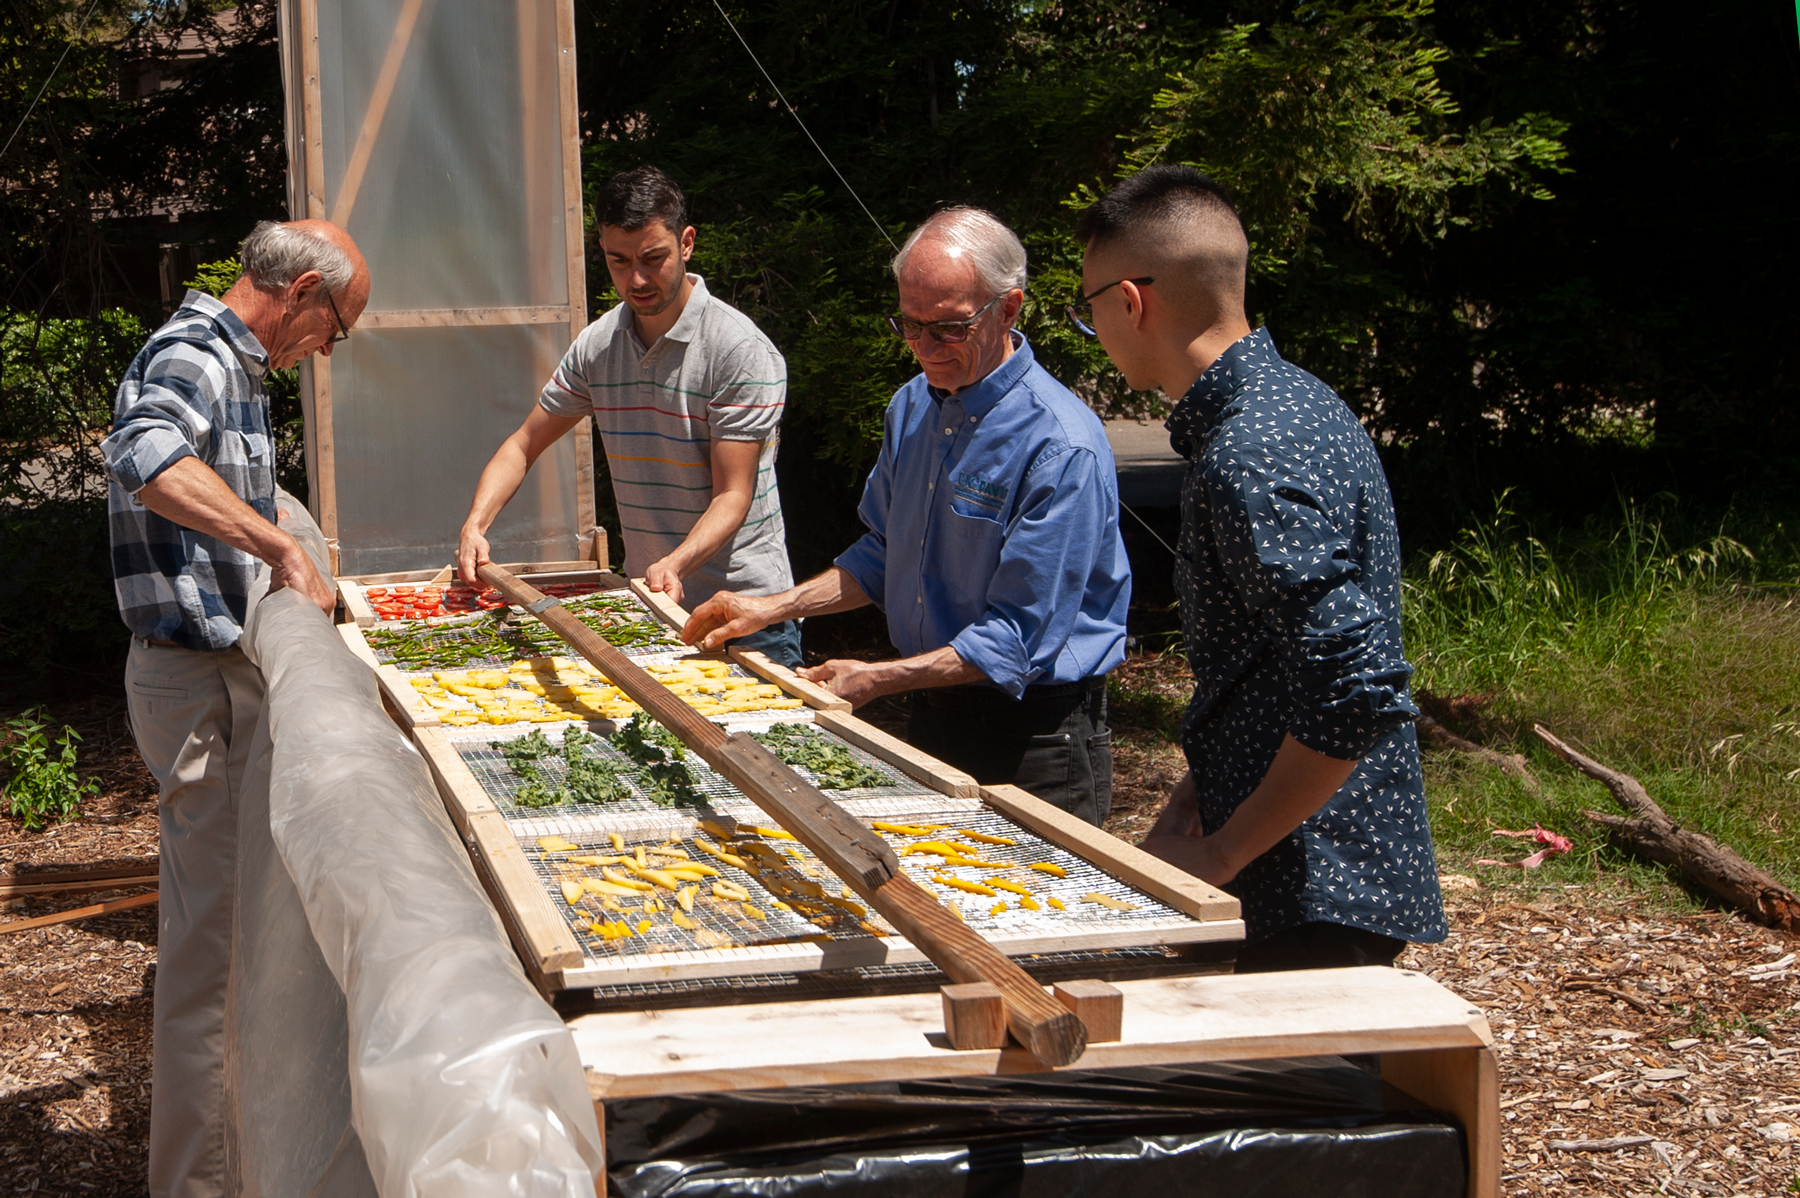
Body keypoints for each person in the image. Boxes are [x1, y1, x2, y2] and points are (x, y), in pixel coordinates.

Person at [1069, 164, 1446, 971]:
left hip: (1313, 880)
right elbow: (1276, 659)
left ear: (1131, 302)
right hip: (1320, 864)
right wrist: (1207, 787)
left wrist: (1226, 852)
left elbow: (1358, 683)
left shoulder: (1249, 450)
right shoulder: (1298, 401)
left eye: (1089, 307)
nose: (1093, 327)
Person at [684, 208, 1131, 825]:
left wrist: (876, 679)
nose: (923, 347)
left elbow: (1015, 641)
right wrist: (770, 607)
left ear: (1008, 309)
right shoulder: (913, 405)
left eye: (947, 328)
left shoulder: (1060, 443)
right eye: (910, 324)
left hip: (1037, 736)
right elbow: (883, 553)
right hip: (933, 710)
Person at [101, 218, 368, 1196]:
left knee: (231, 937)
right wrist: (281, 550)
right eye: (336, 325)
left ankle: (234, 1164)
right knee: (209, 960)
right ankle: (196, 1184)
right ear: (300, 292)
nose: (330, 348)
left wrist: (295, 529)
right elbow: (146, 455)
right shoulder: (194, 353)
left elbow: (237, 488)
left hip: (211, 683)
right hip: (192, 679)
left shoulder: (235, 368)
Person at [457, 166, 801, 666]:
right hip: (652, 603)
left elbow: (734, 494)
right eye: (619, 261)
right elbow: (523, 443)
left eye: (652, 258)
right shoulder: (597, 346)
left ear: (686, 243)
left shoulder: (739, 349)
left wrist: (675, 563)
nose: (636, 278)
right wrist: (475, 524)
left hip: (744, 612)